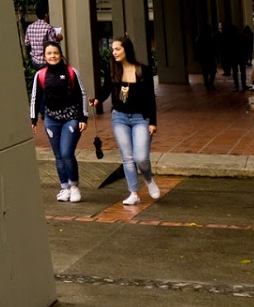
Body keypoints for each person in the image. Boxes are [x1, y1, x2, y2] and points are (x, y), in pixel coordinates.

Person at [93, 35, 159, 206]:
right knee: (128, 157)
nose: (114, 52)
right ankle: (134, 193)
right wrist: (97, 99)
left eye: (117, 49)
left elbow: (150, 98)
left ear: (126, 50)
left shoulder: (143, 70)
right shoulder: (113, 71)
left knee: (141, 157)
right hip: (120, 118)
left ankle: (148, 179)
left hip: (140, 118)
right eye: (113, 50)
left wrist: (153, 122)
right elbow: (106, 90)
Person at [30, 42, 89, 202]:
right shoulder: (40, 75)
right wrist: (33, 119)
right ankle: (65, 188)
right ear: (44, 56)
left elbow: (82, 94)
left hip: (71, 118)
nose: (53, 56)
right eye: (49, 53)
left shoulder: (71, 72)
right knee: (58, 155)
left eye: (55, 53)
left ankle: (74, 186)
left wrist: (83, 117)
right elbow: (35, 98)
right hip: (51, 120)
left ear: (61, 54)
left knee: (66, 153)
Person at [23, 5, 57, 96]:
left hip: (35, 61)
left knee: (40, 82)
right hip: (45, 62)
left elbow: (26, 42)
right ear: (46, 15)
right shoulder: (48, 28)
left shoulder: (30, 27)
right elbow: (53, 44)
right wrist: (58, 38)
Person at [194, 24, 217, 90]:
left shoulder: (199, 38)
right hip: (210, 56)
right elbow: (214, 47)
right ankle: (210, 83)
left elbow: (197, 48)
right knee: (212, 71)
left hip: (204, 57)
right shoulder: (211, 37)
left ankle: (207, 85)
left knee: (205, 72)